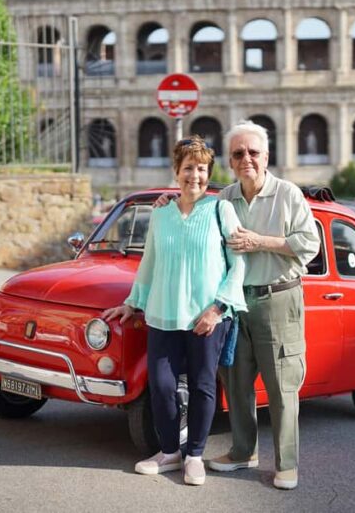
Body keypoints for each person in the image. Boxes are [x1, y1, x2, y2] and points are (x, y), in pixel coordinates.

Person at [160, 121, 320, 489]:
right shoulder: (225, 197)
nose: (246, 158)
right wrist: (167, 202)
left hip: (277, 298)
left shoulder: (288, 194)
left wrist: (261, 241)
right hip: (235, 302)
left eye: (253, 152)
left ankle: (287, 463)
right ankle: (243, 450)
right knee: (236, 382)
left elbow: (309, 245)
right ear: (230, 161)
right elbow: (192, 208)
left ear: (266, 156)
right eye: (238, 153)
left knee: (282, 385)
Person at [103, 136, 247, 486]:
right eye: (187, 168)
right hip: (164, 314)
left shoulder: (219, 210)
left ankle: (194, 455)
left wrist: (217, 309)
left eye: (201, 169)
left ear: (208, 173)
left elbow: (238, 262)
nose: (194, 175)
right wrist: (132, 302)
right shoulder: (162, 214)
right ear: (176, 171)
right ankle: (169, 452)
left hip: (206, 318)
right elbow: (149, 263)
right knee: (162, 385)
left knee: (201, 385)